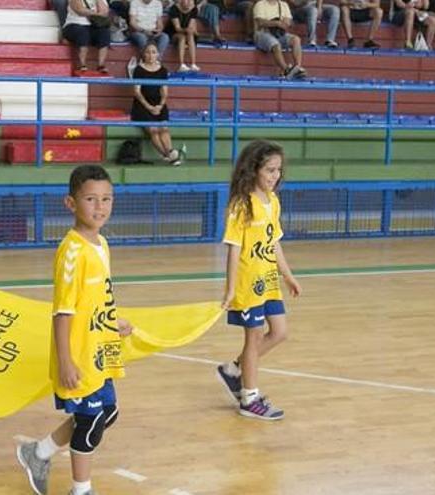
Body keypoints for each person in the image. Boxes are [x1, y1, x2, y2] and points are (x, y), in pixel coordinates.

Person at [16, 165, 134, 495]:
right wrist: (65, 360)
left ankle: (37, 453)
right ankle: (80, 490)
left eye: (107, 199)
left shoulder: (102, 244)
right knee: (91, 420)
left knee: (106, 414)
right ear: (71, 203)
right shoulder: (72, 251)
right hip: (78, 355)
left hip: (99, 349)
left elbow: (96, 298)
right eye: (91, 199)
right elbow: (63, 312)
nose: (100, 207)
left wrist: (114, 321)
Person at [215, 140, 301, 421]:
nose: (275, 176)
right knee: (252, 338)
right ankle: (249, 398)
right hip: (248, 283)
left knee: (279, 332)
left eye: (278, 170)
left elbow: (274, 243)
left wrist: (288, 275)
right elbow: (233, 248)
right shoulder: (242, 205)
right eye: (269, 170)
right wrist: (230, 289)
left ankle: (234, 370)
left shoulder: (272, 201)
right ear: (253, 170)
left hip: (269, 281)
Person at [131, 44, 182, 165]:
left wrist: (160, 105)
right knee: (153, 130)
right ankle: (170, 156)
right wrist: (148, 106)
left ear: (158, 54)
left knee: (164, 128)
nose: (151, 55)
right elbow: (137, 92)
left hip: (158, 103)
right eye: (148, 52)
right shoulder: (138, 69)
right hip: (142, 105)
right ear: (144, 54)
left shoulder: (163, 70)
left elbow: (164, 92)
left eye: (153, 52)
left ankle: (169, 153)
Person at [253, 0, 308, 79]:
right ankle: (286, 70)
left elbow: (289, 22)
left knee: (296, 39)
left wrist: (286, 23)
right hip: (263, 33)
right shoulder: (260, 4)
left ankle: (297, 67)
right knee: (276, 44)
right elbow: (260, 22)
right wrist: (276, 23)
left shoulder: (284, 5)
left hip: (280, 33)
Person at [62, 0, 112, 73]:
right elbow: (80, 10)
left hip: (94, 25)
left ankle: (101, 64)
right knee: (82, 32)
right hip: (74, 24)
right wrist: (96, 13)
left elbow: (105, 12)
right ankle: (82, 64)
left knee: (104, 32)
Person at [166, 0, 201, 71]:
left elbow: (191, 25)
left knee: (190, 35)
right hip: (173, 33)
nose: (189, 3)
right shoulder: (174, 9)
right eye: (187, 0)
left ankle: (193, 64)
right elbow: (177, 28)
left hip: (186, 32)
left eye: (191, 1)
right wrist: (188, 30)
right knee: (182, 37)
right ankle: (181, 64)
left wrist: (191, 30)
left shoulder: (194, 9)